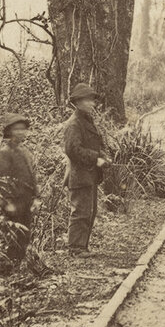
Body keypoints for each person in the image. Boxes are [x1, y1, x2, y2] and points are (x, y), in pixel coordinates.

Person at [61, 82, 110, 252]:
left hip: (89, 175)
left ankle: (82, 247)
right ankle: (75, 248)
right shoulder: (74, 123)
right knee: (80, 212)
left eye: (92, 100)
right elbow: (73, 150)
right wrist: (96, 158)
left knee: (89, 211)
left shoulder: (86, 120)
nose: (92, 103)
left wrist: (103, 156)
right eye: (88, 100)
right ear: (78, 102)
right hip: (80, 174)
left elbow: (94, 144)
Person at [0, 114, 37, 270]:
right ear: (9, 132)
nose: (20, 132)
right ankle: (8, 268)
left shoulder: (25, 151)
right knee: (12, 237)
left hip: (26, 200)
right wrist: (7, 202)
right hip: (13, 202)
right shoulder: (4, 153)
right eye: (16, 129)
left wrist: (36, 197)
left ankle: (18, 266)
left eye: (23, 129)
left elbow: (32, 175)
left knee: (25, 235)